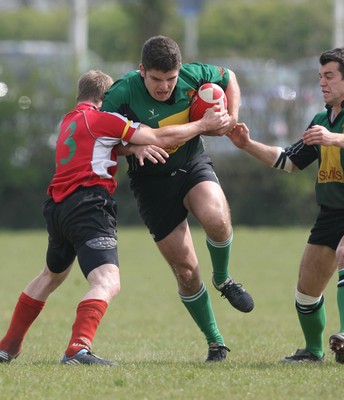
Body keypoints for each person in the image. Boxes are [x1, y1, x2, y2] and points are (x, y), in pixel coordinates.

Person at [0, 70, 231, 366]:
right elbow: (160, 136)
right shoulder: (105, 118)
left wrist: (133, 147)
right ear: (105, 98)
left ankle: (8, 345)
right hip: (89, 205)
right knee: (107, 280)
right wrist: (202, 124)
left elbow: (101, 144)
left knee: (50, 276)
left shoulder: (69, 121)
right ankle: (78, 348)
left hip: (57, 206)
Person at [102, 35, 254, 363]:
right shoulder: (121, 93)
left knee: (216, 218)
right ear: (142, 71)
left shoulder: (192, 75)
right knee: (185, 272)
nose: (164, 87)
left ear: (180, 70)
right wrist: (132, 147)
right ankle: (215, 342)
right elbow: (101, 140)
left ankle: (223, 278)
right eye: (156, 79)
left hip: (190, 163)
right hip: (151, 182)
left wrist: (230, 118)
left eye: (171, 79)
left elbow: (230, 78)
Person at [229, 47, 344, 363]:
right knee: (307, 289)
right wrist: (247, 145)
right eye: (320, 76)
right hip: (332, 213)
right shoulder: (322, 119)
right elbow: (291, 161)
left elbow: (335, 140)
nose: (322, 82)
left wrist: (334, 139)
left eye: (330, 76)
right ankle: (313, 351)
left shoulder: (330, 130)